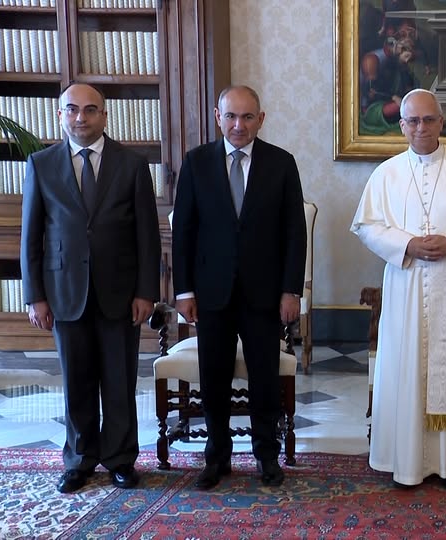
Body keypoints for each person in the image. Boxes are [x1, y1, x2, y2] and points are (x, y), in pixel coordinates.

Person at [351, 89, 446, 491]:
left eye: (428, 119)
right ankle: (406, 462)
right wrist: (407, 245)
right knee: (406, 368)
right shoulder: (386, 174)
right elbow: (366, 225)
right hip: (406, 285)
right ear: (401, 126)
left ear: (441, 122)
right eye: (412, 121)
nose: (420, 127)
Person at [21, 83, 161, 494]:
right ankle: (79, 460)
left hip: (121, 293)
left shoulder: (132, 164)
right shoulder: (41, 164)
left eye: (89, 110)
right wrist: (35, 296)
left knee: (119, 381)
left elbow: (147, 236)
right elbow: (31, 236)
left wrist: (146, 292)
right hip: (64, 292)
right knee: (76, 382)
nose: (80, 117)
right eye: (72, 110)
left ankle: (120, 459)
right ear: (60, 115)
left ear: (104, 115)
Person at [172, 85, 306, 490]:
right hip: (211, 294)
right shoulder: (196, 163)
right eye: (230, 116)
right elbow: (184, 233)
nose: (238, 125)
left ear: (260, 119)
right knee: (213, 378)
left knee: (264, 379)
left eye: (247, 117)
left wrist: (291, 290)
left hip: (264, 294)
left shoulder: (281, 163)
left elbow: (294, 233)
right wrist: (184, 292)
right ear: (218, 117)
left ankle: (267, 455)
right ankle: (217, 457)